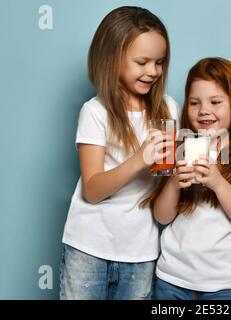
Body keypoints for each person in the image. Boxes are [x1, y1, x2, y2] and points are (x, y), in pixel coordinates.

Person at [60, 6, 179, 300]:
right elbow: (93, 189)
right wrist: (139, 160)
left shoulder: (168, 109)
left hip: (141, 252)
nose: (153, 71)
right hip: (89, 248)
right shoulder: (95, 112)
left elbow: (166, 182)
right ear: (112, 59)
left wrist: (178, 167)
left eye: (159, 62)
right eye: (142, 62)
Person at [144, 57, 231, 300]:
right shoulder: (180, 146)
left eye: (215, 102)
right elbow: (161, 216)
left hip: (226, 285)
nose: (204, 111)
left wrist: (219, 184)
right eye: (194, 103)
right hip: (172, 279)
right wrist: (174, 183)